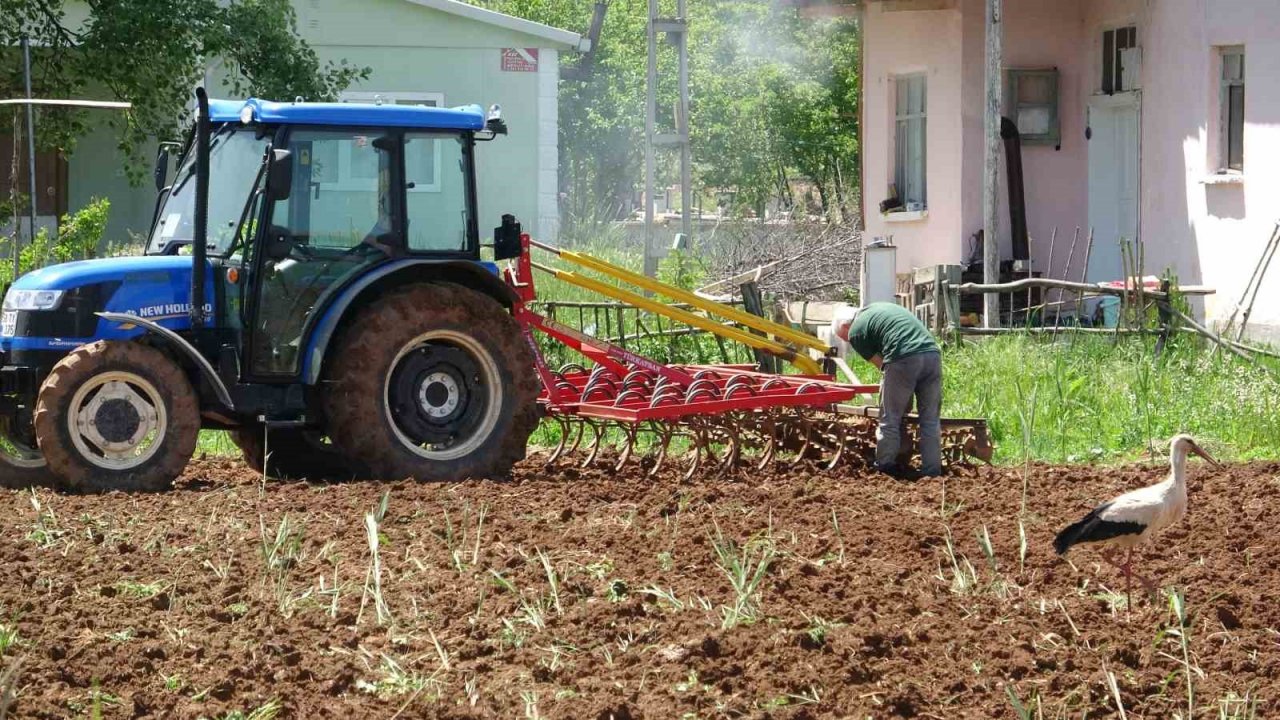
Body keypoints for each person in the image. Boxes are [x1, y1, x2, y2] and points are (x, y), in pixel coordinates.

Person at [834, 302, 943, 477]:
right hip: (932, 355)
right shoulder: (878, 309)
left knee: (890, 418)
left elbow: (883, 366)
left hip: (904, 356)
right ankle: (932, 472)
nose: (849, 341)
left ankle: (885, 468)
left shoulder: (857, 331)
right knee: (930, 420)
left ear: (845, 326)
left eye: (845, 337)